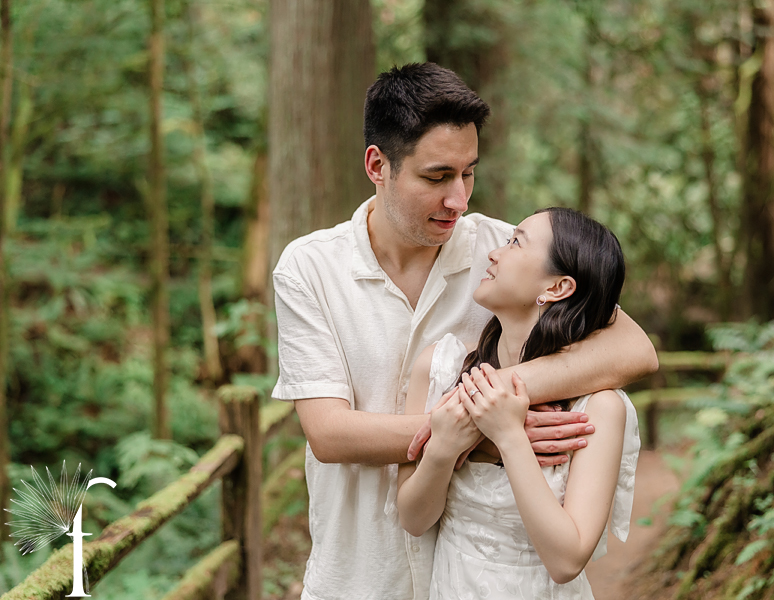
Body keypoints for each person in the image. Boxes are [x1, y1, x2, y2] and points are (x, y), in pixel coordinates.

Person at [271, 62, 657, 600]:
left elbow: (635, 349)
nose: (460, 200)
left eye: (468, 173)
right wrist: (476, 430)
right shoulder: (308, 268)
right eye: (437, 177)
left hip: (469, 577)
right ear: (377, 165)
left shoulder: (501, 251)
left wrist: (502, 404)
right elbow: (330, 433)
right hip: (356, 573)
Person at [397, 207, 640, 599]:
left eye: (515, 242)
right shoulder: (441, 368)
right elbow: (412, 519)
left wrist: (509, 436)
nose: (494, 253)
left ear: (557, 288)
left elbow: (566, 562)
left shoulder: (597, 409)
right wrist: (443, 447)